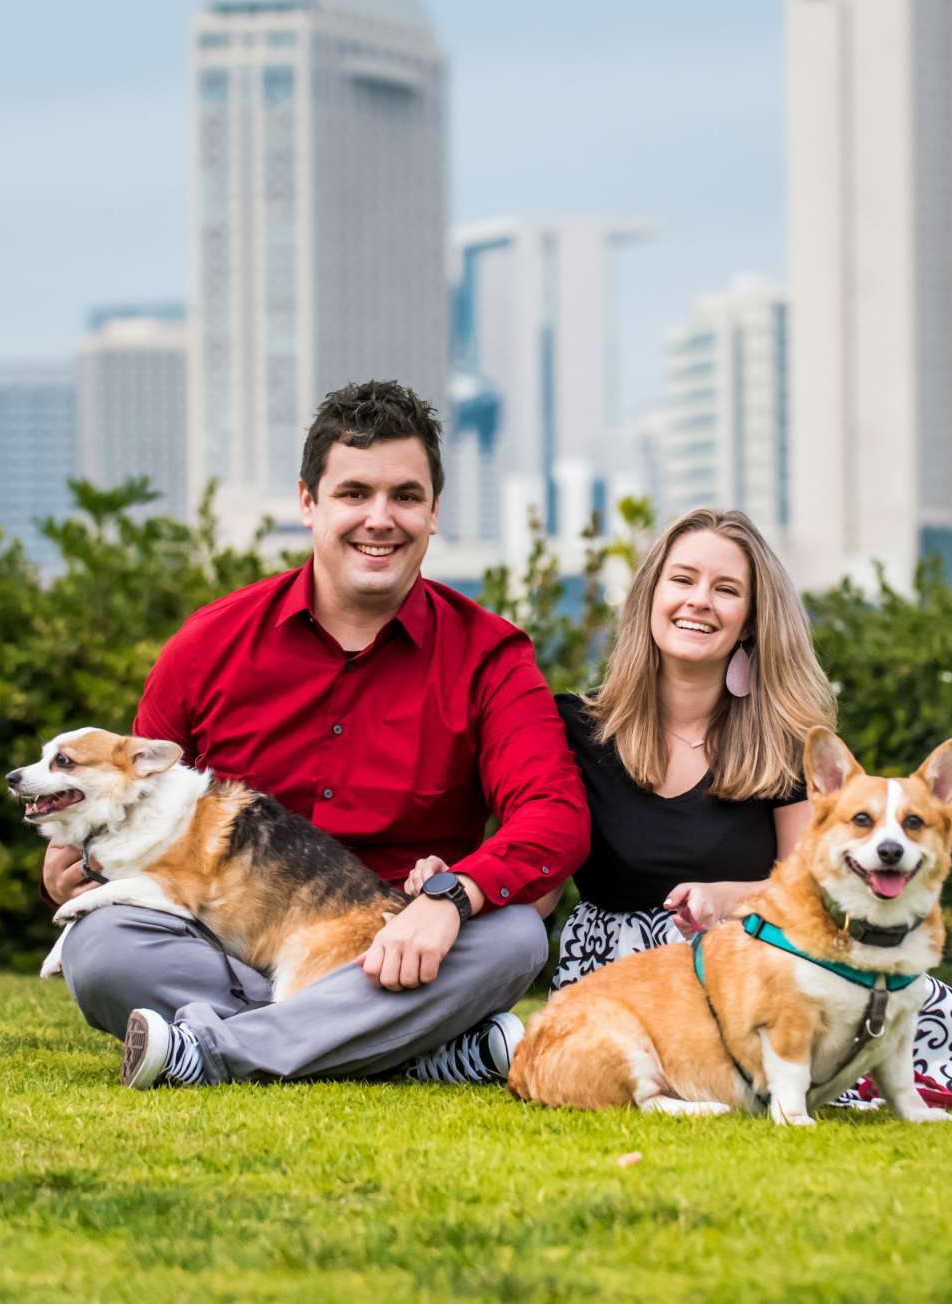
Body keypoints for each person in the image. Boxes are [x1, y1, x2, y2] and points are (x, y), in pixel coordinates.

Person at [410, 507, 952, 1110]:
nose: (699, 602)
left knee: (903, 996)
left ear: (750, 618)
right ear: (650, 597)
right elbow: (540, 880)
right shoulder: (577, 726)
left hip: (756, 944)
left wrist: (725, 902)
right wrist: (460, 883)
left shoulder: (781, 737)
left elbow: (822, 886)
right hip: (627, 967)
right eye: (683, 580)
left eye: (725, 590)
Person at [46, 380, 588, 1090]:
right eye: (354, 493)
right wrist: (78, 857)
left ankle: (211, 1053)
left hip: (400, 951)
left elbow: (556, 817)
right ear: (308, 502)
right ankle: (406, 1050)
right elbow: (130, 805)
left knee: (513, 936)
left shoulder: (490, 656)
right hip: (225, 943)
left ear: (434, 512)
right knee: (102, 951)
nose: (380, 519)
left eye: (406, 496)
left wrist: (453, 897)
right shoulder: (209, 645)